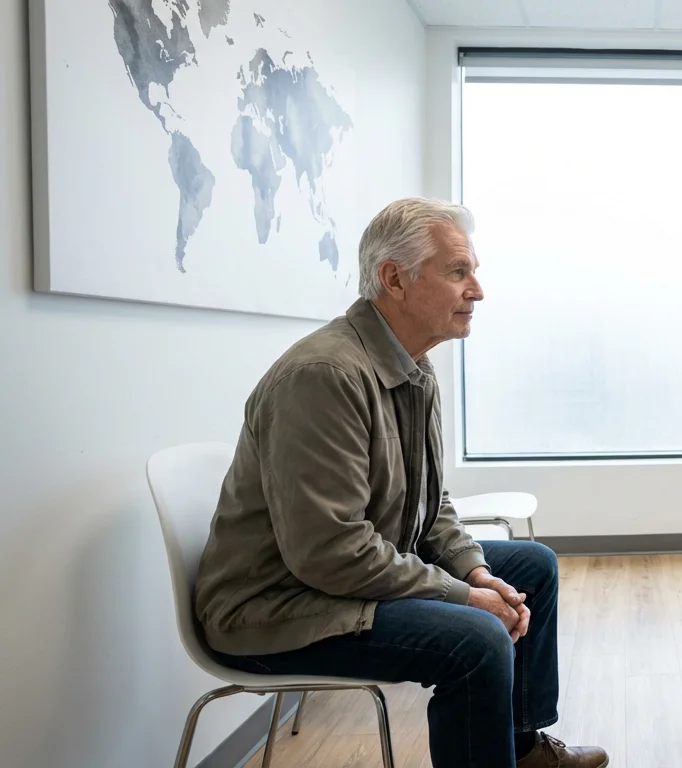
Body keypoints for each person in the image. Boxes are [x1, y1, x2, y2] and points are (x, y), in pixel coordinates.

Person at [194, 198, 608, 768]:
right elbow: (329, 553)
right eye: (458, 271)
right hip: (276, 606)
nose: (478, 290)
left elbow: (429, 504)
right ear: (395, 279)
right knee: (478, 639)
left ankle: (521, 749)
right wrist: (466, 597)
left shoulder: (414, 367)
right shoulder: (324, 377)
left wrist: (478, 572)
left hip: (339, 580)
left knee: (530, 566)